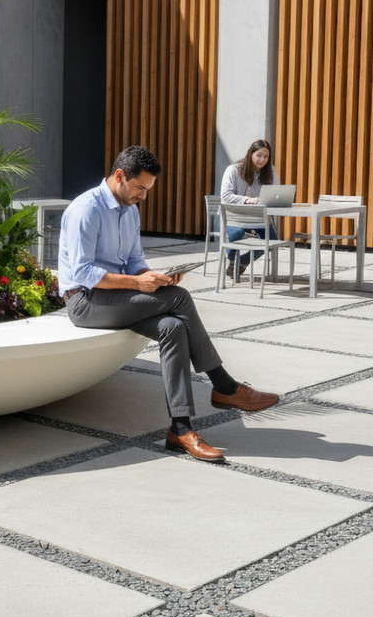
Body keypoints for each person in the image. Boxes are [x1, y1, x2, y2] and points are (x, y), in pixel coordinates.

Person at [58, 145, 279, 462]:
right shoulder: (86, 210)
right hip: (85, 301)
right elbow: (84, 272)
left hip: (120, 298)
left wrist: (155, 277)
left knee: (173, 327)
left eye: (147, 190)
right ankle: (224, 385)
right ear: (120, 176)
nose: (143, 197)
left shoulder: (131, 211)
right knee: (179, 298)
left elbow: (135, 261)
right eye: (140, 188)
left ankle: (180, 429)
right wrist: (138, 283)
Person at [220, 139, 279, 279]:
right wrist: (247, 200)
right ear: (250, 154)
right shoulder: (233, 170)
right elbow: (225, 196)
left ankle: (242, 261)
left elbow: (276, 193)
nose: (262, 159)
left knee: (272, 241)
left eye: (266, 156)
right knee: (236, 233)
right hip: (236, 217)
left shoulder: (270, 171)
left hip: (258, 217)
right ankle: (233, 261)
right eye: (259, 155)